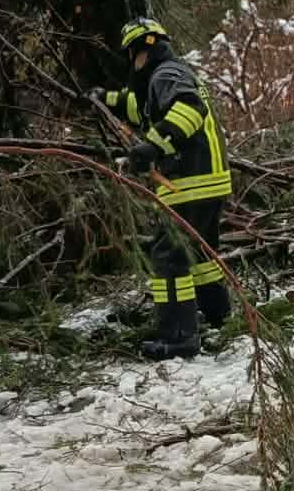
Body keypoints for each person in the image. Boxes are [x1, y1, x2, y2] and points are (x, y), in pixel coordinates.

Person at [90, 18, 232, 360]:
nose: (132, 63)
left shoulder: (166, 74)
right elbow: (139, 107)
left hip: (188, 183)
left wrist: (152, 147)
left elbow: (188, 109)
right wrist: (103, 99)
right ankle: (218, 315)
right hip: (207, 182)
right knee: (200, 254)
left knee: (168, 258)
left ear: (145, 49)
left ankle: (179, 337)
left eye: (132, 55)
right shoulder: (164, 75)